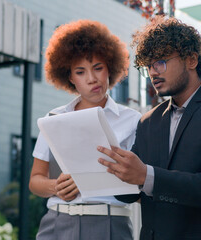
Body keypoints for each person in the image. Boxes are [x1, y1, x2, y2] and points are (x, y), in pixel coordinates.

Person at [98, 16, 201, 239]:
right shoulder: (148, 121)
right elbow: (129, 191)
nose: (153, 72)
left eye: (160, 62)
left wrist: (145, 175)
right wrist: (107, 170)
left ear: (191, 60)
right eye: (148, 67)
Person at [29, 19, 142, 240]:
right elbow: (35, 180)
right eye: (80, 72)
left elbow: (142, 184)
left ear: (110, 66)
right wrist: (56, 187)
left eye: (98, 68)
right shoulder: (54, 119)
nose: (92, 79)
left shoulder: (133, 121)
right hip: (56, 223)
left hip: (109, 223)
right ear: (70, 77)